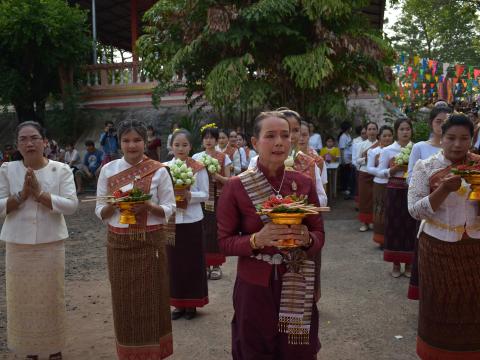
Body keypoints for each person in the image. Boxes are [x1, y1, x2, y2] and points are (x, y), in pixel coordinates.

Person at [217, 111, 325, 359]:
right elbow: (224, 242)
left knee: (297, 349)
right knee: (254, 347)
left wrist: (307, 239)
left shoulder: (303, 183)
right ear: (254, 143)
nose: (279, 142)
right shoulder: (237, 186)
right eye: (271, 136)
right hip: (255, 285)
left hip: (296, 279)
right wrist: (257, 239)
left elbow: (319, 232)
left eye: (285, 136)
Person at [95, 120, 175, 360]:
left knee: (154, 298)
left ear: (146, 142)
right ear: (119, 143)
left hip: (151, 244)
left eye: (137, 140)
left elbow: (170, 207)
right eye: (126, 140)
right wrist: (114, 206)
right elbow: (100, 210)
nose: (132, 145)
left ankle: (154, 352)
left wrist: (148, 206)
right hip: (119, 246)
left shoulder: (159, 170)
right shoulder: (109, 170)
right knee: (124, 302)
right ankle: (129, 353)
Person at [0, 121, 78, 360]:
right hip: (17, 246)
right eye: (23, 139)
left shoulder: (61, 169)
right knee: (21, 300)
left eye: (34, 138)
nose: (29, 143)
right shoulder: (6, 169)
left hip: (50, 244)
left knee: (51, 297)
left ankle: (54, 349)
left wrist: (41, 195)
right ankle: (29, 350)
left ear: (45, 142)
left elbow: (72, 205)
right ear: (17, 144)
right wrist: (22, 195)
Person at [408, 113, 480, 359]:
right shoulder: (425, 166)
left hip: (475, 249)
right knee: (439, 305)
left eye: (464, 138)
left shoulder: (479, 166)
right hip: (437, 248)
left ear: (472, 139)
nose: (457, 145)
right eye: (451, 138)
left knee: (474, 306)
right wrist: (442, 190)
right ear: (441, 137)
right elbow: (415, 210)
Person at [406, 106, 451, 300]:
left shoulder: (461, 151)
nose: (442, 125)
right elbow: (410, 177)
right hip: (428, 205)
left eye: (446, 121)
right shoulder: (420, 147)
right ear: (431, 123)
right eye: (438, 121)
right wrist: (433, 188)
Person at [165, 129, 209, 320]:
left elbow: (205, 194)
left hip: (191, 219)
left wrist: (189, 196)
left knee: (192, 262)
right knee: (173, 263)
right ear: (171, 147)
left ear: (191, 147)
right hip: (172, 220)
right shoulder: (164, 167)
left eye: (184, 145)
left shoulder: (198, 167)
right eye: (177, 145)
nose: (180, 148)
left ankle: (192, 304)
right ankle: (177, 303)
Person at [376, 118, 416, 277]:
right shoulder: (388, 150)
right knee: (394, 226)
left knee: (410, 226)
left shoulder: (416, 148)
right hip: (393, 190)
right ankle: (395, 264)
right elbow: (380, 172)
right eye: (402, 129)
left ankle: (408, 264)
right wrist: (394, 170)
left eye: (408, 129)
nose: (405, 132)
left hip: (411, 190)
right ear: (396, 132)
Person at [192, 124, 231, 280]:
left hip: (217, 198)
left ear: (216, 140)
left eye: (212, 138)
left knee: (214, 231)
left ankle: (215, 265)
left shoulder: (223, 157)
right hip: (200, 198)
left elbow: (229, 181)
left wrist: (216, 176)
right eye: (205, 138)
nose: (208, 141)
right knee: (201, 230)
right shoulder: (196, 157)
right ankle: (204, 265)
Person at [366, 125, 394, 247]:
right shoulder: (373, 151)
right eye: (384, 136)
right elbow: (369, 168)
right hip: (380, 184)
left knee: (392, 211)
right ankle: (381, 240)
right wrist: (384, 172)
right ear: (379, 137)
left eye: (389, 135)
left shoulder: (397, 150)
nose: (387, 138)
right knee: (380, 211)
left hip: (394, 183)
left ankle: (393, 238)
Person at [355, 122, 379, 232]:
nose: (372, 131)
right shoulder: (361, 144)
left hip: (377, 174)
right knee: (364, 200)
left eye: (374, 129)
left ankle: (374, 221)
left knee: (376, 199)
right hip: (364, 174)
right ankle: (365, 222)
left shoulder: (381, 144)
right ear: (366, 131)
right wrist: (367, 159)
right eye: (370, 129)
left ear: (377, 131)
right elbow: (357, 161)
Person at [298, 121, 328, 188]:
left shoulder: (318, 160)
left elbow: (323, 186)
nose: (301, 139)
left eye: (304, 135)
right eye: (298, 135)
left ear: (309, 136)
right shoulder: (285, 158)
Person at [338, 121, 353, 198]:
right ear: (347, 128)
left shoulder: (348, 136)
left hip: (349, 158)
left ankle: (347, 187)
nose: (351, 128)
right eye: (350, 127)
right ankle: (344, 189)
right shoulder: (343, 137)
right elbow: (341, 149)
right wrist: (343, 160)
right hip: (345, 158)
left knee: (348, 173)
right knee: (345, 174)